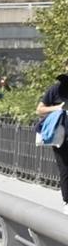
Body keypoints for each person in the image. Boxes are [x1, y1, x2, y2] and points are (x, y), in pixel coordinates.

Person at [41, 69, 68, 206]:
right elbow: (39, 109)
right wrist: (57, 108)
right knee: (65, 169)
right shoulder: (56, 89)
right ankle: (67, 201)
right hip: (61, 137)